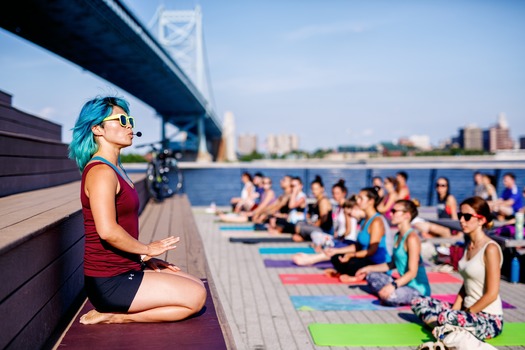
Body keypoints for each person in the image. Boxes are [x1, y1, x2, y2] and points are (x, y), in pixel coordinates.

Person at [68, 96, 206, 324]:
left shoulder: (115, 169)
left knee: (195, 284)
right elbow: (108, 231)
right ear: (97, 128)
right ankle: (115, 317)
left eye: (129, 119)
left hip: (126, 269)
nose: (129, 125)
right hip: (110, 282)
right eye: (121, 120)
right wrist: (147, 248)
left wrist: (141, 258)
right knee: (196, 297)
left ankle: (123, 304)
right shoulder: (101, 172)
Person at [411, 196, 504, 340]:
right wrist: (455, 309)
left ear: (482, 220)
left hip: (488, 318)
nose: (461, 220)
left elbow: (492, 293)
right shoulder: (469, 245)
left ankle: (444, 327)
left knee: (445, 317)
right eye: (460, 215)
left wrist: (465, 313)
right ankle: (446, 328)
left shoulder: (490, 248)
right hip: (465, 310)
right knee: (418, 301)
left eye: (467, 217)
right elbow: (467, 283)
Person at [355, 200, 431, 306]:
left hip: (417, 290)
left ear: (406, 215)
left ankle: (390, 293)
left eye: (394, 211)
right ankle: (388, 292)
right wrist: (367, 268)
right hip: (403, 284)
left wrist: (393, 285)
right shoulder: (397, 235)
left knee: (390, 296)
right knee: (371, 276)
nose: (390, 214)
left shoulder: (412, 238)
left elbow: (412, 272)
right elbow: (392, 264)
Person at [325, 187, 391, 283]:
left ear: (371, 201)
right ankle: (347, 272)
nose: (357, 201)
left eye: (361, 198)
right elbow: (358, 246)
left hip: (375, 263)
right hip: (364, 258)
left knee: (352, 263)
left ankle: (357, 276)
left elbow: (372, 251)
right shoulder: (365, 220)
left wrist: (351, 255)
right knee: (336, 257)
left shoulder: (377, 221)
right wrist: (336, 251)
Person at [292, 196, 364, 266]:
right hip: (348, 242)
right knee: (335, 248)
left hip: (349, 242)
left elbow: (349, 232)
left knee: (337, 249)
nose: (350, 212)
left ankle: (311, 259)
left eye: (353, 209)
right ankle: (312, 257)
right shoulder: (361, 220)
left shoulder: (368, 221)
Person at [310, 179, 350, 250]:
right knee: (315, 234)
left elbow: (348, 230)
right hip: (337, 237)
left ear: (344, 193)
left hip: (345, 240)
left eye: (337, 193)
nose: (334, 196)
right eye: (333, 193)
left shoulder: (347, 208)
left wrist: (338, 239)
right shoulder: (337, 208)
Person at [292, 175, 333, 242]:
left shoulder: (323, 201)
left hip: (324, 230)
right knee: (299, 223)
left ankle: (306, 238)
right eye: (312, 189)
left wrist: (314, 225)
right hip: (317, 227)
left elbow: (323, 218)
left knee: (299, 227)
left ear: (322, 189)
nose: (314, 191)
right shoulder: (317, 201)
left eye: (316, 189)